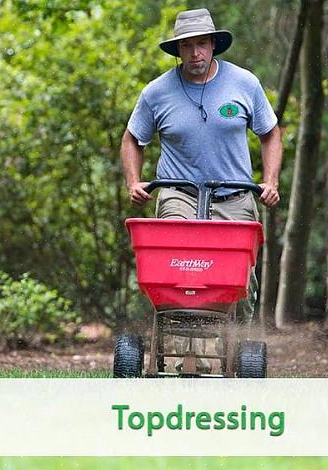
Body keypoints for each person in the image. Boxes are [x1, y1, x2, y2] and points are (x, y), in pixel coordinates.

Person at [120, 7, 284, 371]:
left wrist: (270, 181)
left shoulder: (244, 84)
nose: (196, 53)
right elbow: (132, 138)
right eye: (189, 46)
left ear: (214, 46)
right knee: (179, 278)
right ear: (178, 50)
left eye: (203, 44)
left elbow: (270, 133)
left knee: (239, 286)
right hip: (178, 193)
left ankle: (235, 354)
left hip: (235, 195)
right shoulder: (157, 92)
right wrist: (134, 181)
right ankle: (187, 361)